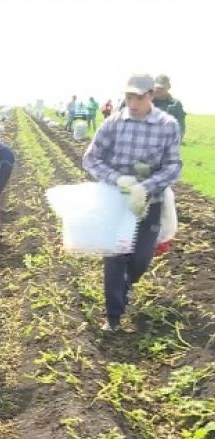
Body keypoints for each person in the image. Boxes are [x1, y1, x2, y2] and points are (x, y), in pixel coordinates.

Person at [82, 74, 182, 332]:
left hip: (151, 200)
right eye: (129, 97)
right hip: (116, 200)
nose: (133, 103)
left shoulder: (167, 125)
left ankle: (125, 285)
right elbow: (91, 159)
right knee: (115, 256)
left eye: (139, 97)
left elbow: (173, 166)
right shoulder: (114, 123)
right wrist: (119, 180)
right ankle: (113, 318)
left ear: (151, 95)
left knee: (141, 258)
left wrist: (144, 187)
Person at [152, 75, 187, 143]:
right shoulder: (146, 102)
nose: (159, 90)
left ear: (168, 87)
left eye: (162, 88)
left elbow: (180, 127)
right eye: (157, 88)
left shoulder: (175, 104)